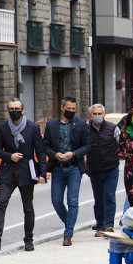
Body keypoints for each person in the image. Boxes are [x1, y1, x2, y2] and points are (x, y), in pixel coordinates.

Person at [0, 98, 46, 252]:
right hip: (8, 172)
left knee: (28, 208)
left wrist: (43, 173)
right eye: (11, 109)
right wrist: (9, 156)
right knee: (1, 204)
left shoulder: (33, 127)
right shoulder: (3, 127)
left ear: (23, 110)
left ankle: (29, 239)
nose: (14, 111)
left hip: (27, 172)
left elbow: (40, 151)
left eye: (17, 108)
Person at [43, 97, 91, 247]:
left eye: (73, 109)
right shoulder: (51, 125)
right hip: (57, 167)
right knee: (56, 200)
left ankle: (68, 233)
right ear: (62, 107)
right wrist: (54, 154)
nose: (71, 111)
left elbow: (87, 145)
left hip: (74, 167)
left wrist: (74, 154)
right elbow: (45, 146)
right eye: (68, 109)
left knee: (73, 200)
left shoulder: (81, 124)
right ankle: (69, 221)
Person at [86, 104, 120, 236]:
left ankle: (108, 225)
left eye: (100, 114)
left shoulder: (113, 128)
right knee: (98, 198)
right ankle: (100, 224)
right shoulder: (86, 130)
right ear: (90, 116)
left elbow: (120, 144)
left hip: (111, 168)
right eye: (95, 114)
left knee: (110, 196)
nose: (97, 116)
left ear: (104, 115)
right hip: (94, 169)